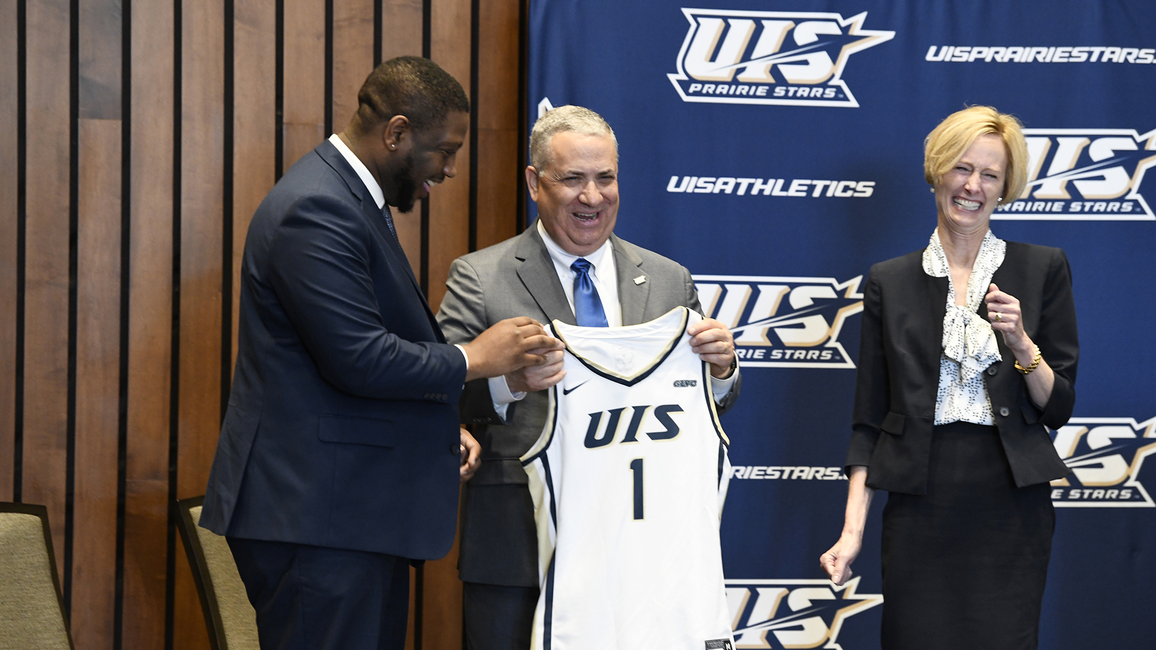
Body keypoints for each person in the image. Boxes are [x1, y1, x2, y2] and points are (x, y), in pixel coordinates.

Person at [199, 56, 557, 650]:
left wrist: (443, 421)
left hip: (345, 518)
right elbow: (359, 358)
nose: (448, 169)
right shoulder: (317, 207)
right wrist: (476, 357)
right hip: (318, 521)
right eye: (444, 151)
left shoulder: (349, 200)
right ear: (396, 133)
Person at [436, 105, 741, 650]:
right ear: (535, 182)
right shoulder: (480, 277)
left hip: (644, 553)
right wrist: (510, 383)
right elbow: (438, 392)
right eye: (573, 178)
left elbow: (708, 403)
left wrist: (720, 370)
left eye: (606, 178)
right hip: (520, 549)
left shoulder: (669, 280)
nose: (593, 197)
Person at [819, 105, 1079, 650]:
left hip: (1011, 502)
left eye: (990, 175)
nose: (972, 186)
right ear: (938, 171)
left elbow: (1058, 407)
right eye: (962, 168)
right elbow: (869, 421)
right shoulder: (889, 280)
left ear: (1005, 188)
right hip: (921, 500)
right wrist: (851, 532)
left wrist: (1021, 343)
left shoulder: (1042, 268)